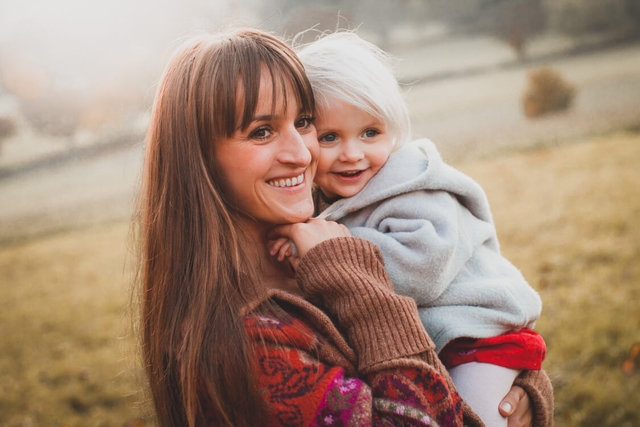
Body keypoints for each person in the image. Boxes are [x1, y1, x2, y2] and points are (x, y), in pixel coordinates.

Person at [134, 27, 554, 427]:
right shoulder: (247, 341)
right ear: (199, 163)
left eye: (303, 122)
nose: (302, 153)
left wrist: (520, 393)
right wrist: (358, 284)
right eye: (262, 131)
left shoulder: (318, 232)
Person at [286, 31, 550, 426]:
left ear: (394, 129)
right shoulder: (330, 199)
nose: (352, 153)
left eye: (370, 133)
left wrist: (337, 245)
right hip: (443, 344)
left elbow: (423, 270)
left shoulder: (411, 187)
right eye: (329, 137)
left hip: (483, 341)